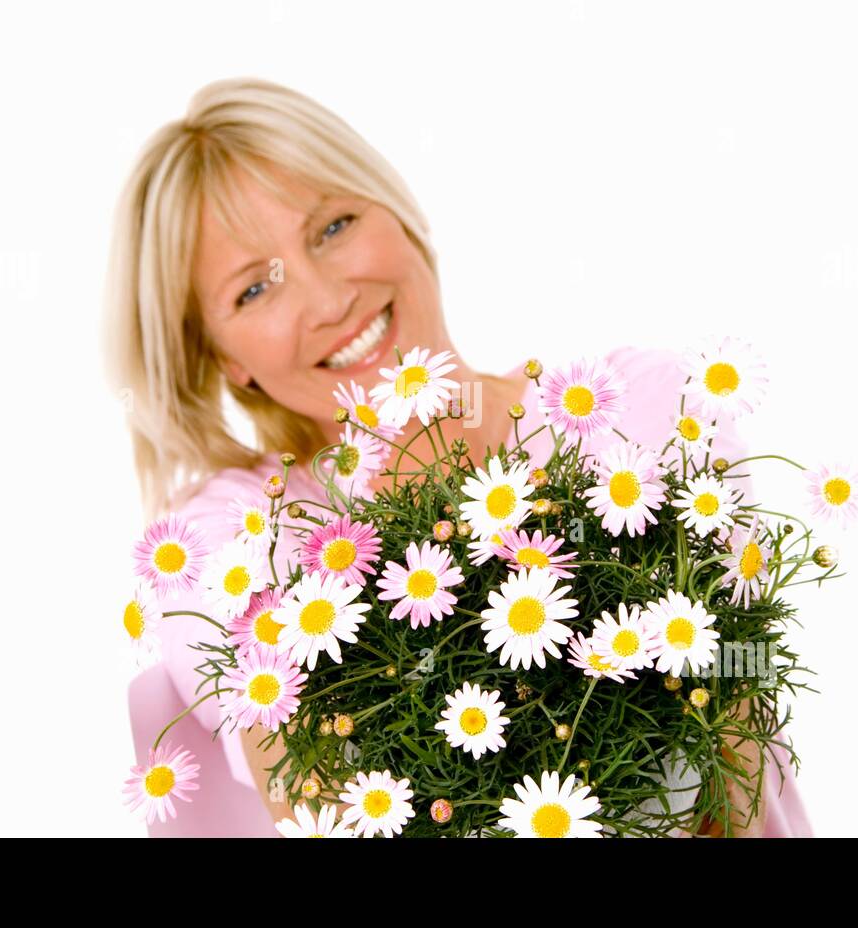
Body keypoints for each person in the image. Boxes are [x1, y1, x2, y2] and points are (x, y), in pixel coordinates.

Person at [105, 77, 814, 837]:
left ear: (398, 214)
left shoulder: (638, 406)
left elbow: (730, 703)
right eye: (254, 291)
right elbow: (300, 772)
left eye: (333, 227)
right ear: (220, 359)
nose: (325, 299)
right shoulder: (225, 538)